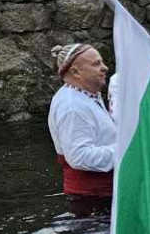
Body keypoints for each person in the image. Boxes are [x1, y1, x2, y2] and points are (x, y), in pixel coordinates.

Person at [48, 42, 115, 199]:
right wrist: (126, 151)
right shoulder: (72, 106)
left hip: (100, 194)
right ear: (76, 72)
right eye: (96, 64)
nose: (105, 67)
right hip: (92, 198)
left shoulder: (84, 95)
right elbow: (79, 156)